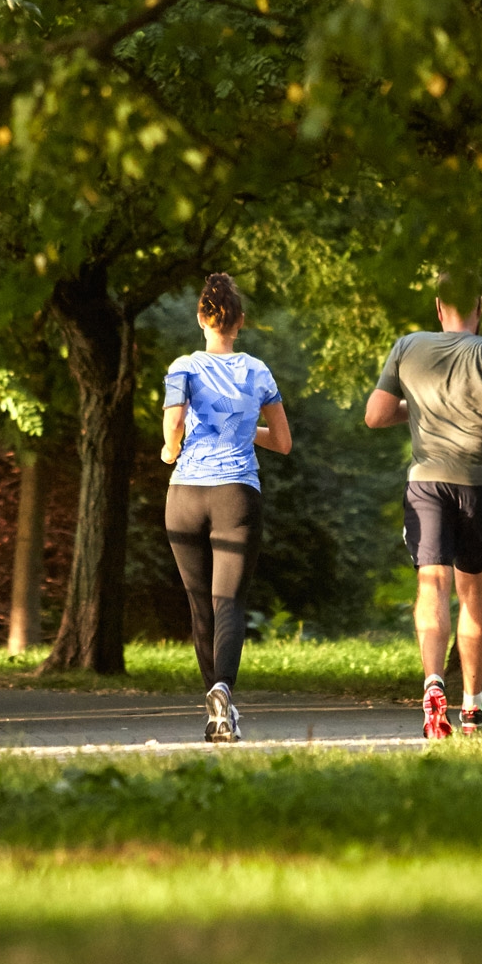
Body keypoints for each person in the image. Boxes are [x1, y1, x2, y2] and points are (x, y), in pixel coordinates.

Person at [364, 271, 482, 737]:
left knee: (431, 585)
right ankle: (473, 704)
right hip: (478, 480)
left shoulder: (409, 346)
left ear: (439, 308)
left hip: (427, 483)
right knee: (473, 593)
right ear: (480, 305)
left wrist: (417, 407)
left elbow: (375, 416)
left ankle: (433, 682)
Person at [160, 272, 292, 742]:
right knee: (228, 603)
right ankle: (223, 691)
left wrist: (169, 449)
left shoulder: (183, 368)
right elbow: (282, 441)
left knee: (201, 607)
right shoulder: (258, 371)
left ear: (201, 317)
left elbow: (173, 423)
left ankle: (214, 712)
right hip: (236, 494)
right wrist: (241, 433)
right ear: (240, 321)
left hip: (185, 497)